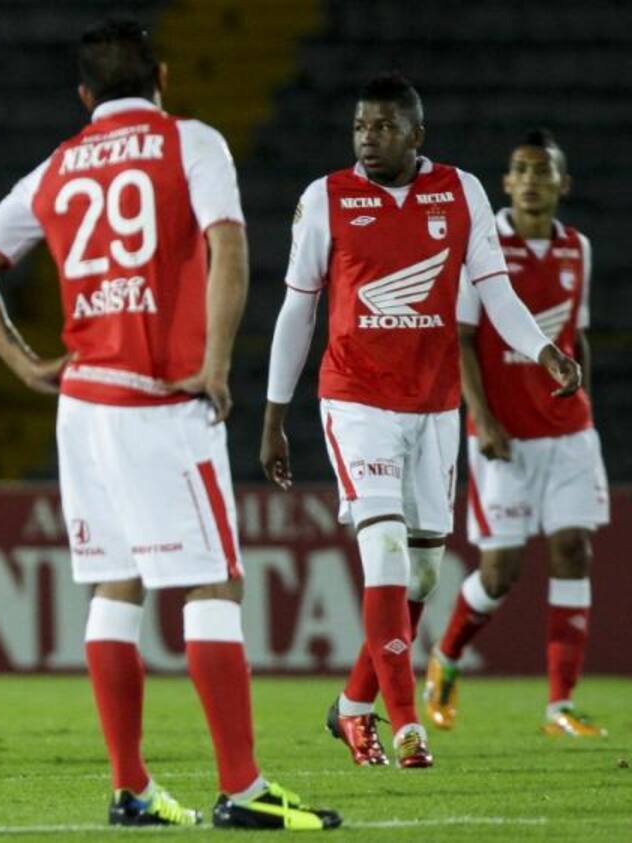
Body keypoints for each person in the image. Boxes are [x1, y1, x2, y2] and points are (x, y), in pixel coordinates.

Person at [0, 18, 340, 831]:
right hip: (160, 398)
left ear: (83, 93)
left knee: (116, 585)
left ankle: (131, 788)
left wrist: (25, 364)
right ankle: (242, 788)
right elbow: (228, 247)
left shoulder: (58, 165)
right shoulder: (191, 142)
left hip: (83, 403)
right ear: (162, 76)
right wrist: (218, 364)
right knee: (215, 580)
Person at [260, 74, 582, 769]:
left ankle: (352, 705)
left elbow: (495, 291)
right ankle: (405, 724)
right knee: (384, 550)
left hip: (434, 406)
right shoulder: (326, 198)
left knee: (424, 574)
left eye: (383, 127)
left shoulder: (461, 192)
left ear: (416, 135)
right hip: (355, 399)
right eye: (360, 127)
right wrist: (274, 413)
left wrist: (545, 351)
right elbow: (297, 309)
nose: (367, 139)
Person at [424, 130, 608, 738]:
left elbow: (576, 337)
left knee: (573, 550)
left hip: (569, 433)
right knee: (501, 572)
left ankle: (560, 707)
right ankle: (447, 656)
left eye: (542, 170)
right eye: (520, 170)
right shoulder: (483, 247)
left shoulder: (578, 248)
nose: (531, 180)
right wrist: (482, 419)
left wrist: (585, 407)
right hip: (503, 436)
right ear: (506, 183)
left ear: (562, 183)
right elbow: (463, 340)